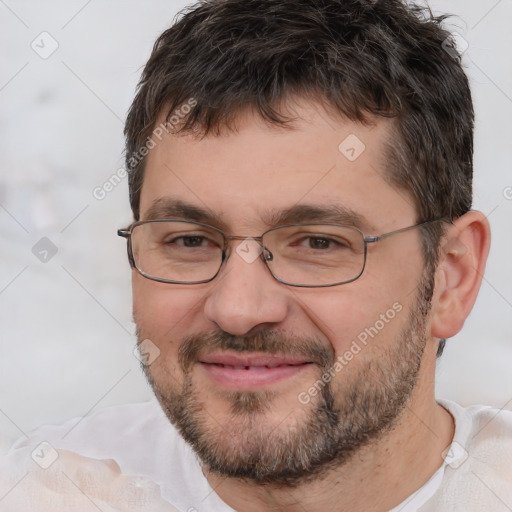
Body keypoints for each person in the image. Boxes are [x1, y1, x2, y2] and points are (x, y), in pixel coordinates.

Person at [5, 0, 512, 510]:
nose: (238, 310)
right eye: (190, 241)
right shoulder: (42, 493)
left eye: (318, 243)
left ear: (452, 276)